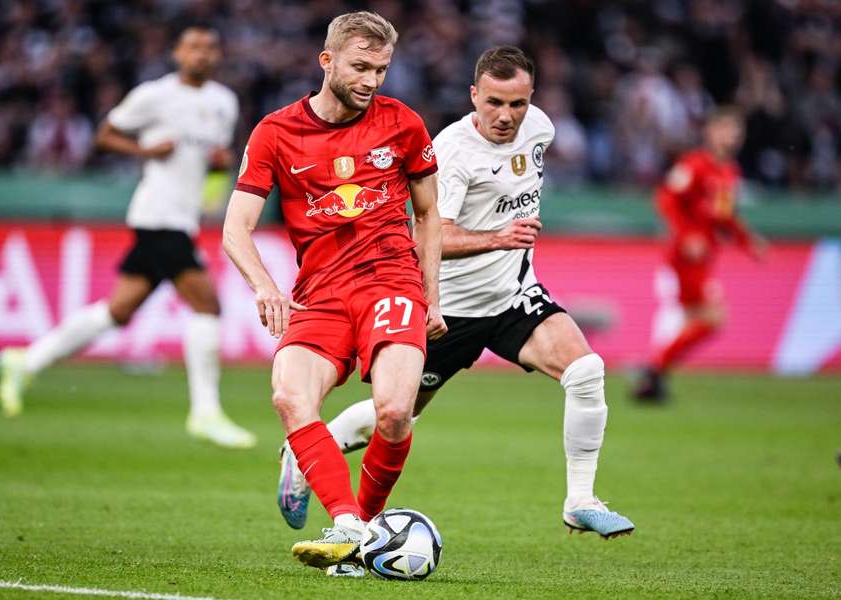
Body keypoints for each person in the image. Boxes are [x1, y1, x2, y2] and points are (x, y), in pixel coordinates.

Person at [276, 46, 636, 571]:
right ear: (474, 95)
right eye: (494, 102)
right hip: (450, 309)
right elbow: (431, 232)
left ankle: (580, 501)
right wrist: (496, 239)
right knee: (396, 416)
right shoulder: (453, 150)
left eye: (517, 103)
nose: (506, 115)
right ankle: (308, 450)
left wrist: (508, 240)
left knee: (585, 371)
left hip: (513, 296)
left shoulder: (541, 128)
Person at [222, 11, 446, 570]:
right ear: (327, 61)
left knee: (395, 412)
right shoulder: (275, 132)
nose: (372, 81)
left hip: (389, 280)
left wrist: (432, 297)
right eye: (361, 66)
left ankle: (362, 530)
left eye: (382, 70)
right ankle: (347, 523)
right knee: (289, 396)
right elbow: (235, 229)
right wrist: (265, 286)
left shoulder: (404, 124)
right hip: (318, 293)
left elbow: (429, 215)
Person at [0, 25, 257, 449]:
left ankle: (26, 360)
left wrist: (218, 168)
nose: (202, 54)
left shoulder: (223, 103)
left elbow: (213, 173)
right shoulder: (154, 95)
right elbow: (104, 135)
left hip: (183, 217)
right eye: (194, 47)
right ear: (178, 52)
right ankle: (205, 412)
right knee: (208, 305)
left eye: (210, 47)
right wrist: (145, 152)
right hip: (156, 215)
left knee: (118, 310)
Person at [632, 107, 767, 402]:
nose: (732, 136)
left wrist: (748, 241)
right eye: (726, 129)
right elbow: (666, 198)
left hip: (705, 258)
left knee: (699, 321)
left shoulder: (729, 172)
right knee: (712, 318)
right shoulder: (694, 165)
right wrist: (687, 235)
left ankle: (653, 378)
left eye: (736, 131)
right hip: (685, 259)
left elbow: (724, 217)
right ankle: (653, 371)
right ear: (711, 132)